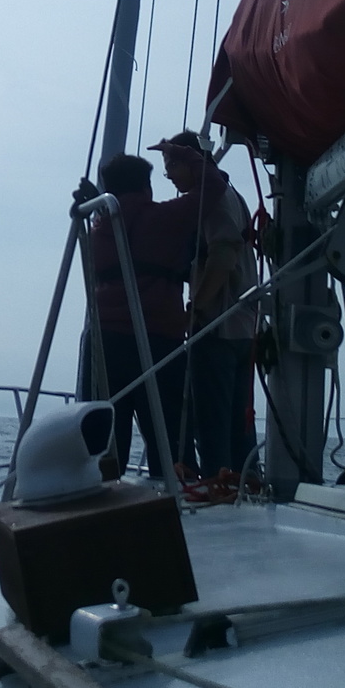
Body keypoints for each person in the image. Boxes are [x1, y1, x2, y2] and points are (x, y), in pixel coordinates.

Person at [79, 149, 228, 480]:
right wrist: (192, 157)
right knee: (171, 444)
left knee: (102, 447)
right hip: (157, 344)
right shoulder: (166, 218)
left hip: (104, 345)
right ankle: (180, 508)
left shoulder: (97, 229)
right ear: (146, 188)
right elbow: (216, 188)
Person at [150, 131, 258, 480]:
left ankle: (218, 484)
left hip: (217, 324)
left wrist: (196, 308)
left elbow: (223, 256)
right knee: (239, 419)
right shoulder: (232, 194)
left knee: (211, 418)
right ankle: (243, 481)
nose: (168, 176)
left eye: (171, 166)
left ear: (190, 161)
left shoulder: (212, 201)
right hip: (242, 326)